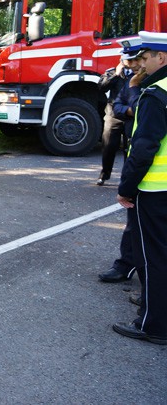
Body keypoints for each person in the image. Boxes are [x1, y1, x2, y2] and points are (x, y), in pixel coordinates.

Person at [113, 30, 167, 345]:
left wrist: (126, 187)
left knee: (153, 257)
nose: (140, 65)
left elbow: (145, 147)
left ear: (162, 57)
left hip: (155, 190)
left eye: (145, 58)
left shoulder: (155, 94)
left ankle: (153, 324)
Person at [98, 44, 144, 282]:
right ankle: (128, 265)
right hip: (136, 152)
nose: (137, 64)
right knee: (135, 218)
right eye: (134, 60)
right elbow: (116, 104)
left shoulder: (145, 84)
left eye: (142, 59)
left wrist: (133, 98)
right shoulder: (128, 78)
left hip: (149, 162)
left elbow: (139, 108)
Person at [96, 57, 129, 185]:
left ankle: (126, 178)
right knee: (108, 146)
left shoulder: (139, 73)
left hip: (130, 115)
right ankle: (104, 174)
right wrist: (116, 74)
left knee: (129, 149)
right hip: (113, 114)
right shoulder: (112, 72)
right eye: (126, 60)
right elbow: (101, 87)